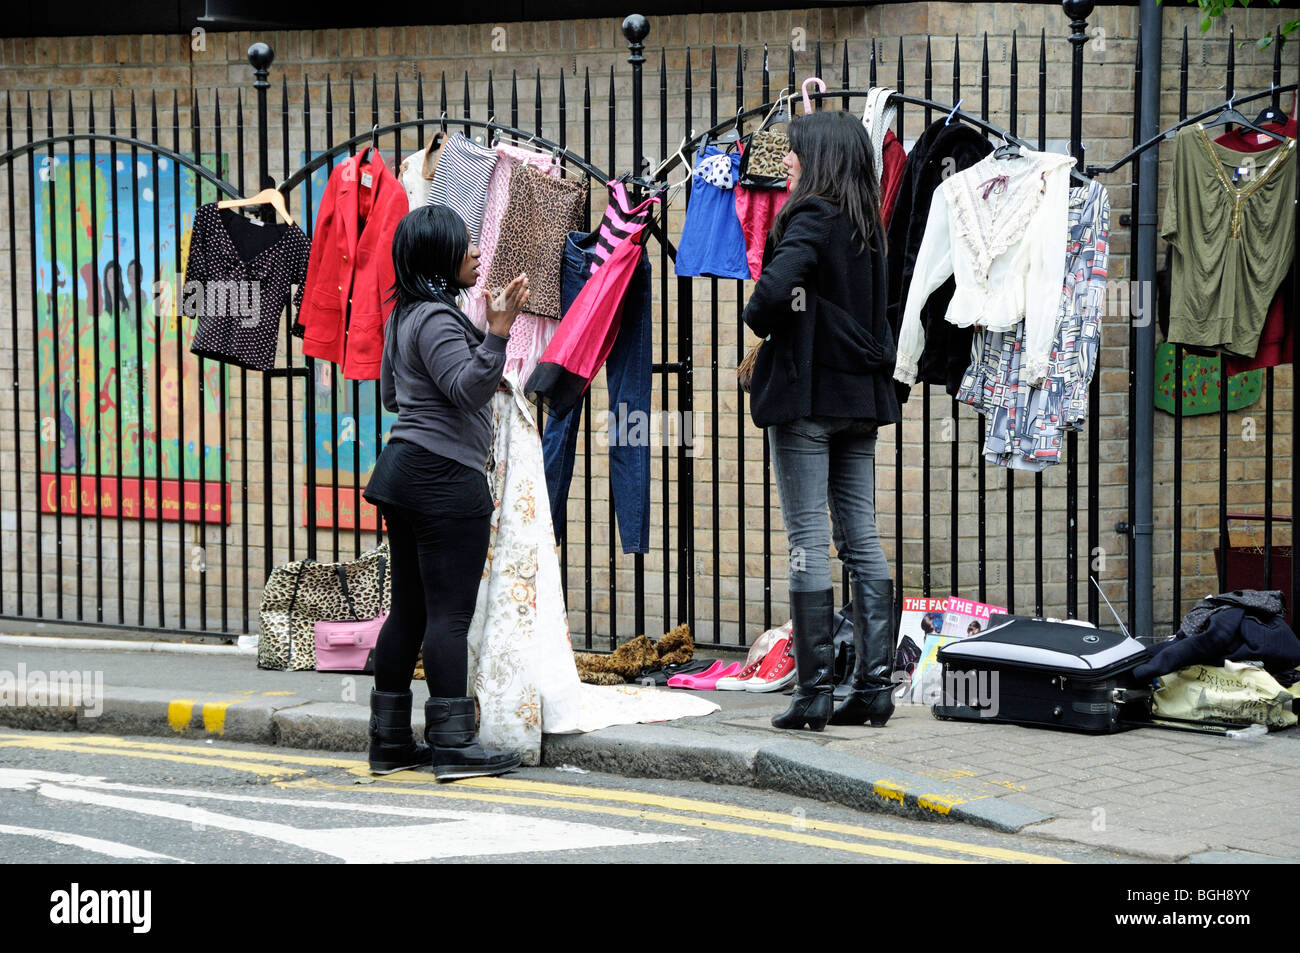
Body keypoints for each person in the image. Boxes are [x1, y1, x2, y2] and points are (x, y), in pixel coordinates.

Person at [741, 110, 902, 732]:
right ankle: (874, 689)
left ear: (820, 158)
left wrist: (763, 311)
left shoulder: (810, 215)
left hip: (808, 400)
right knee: (860, 537)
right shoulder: (869, 226)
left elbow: (771, 299)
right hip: (859, 402)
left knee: (808, 540)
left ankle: (813, 696)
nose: (786, 161)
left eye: (794, 152)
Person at [362, 202, 532, 780]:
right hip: (443, 479)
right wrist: (497, 334)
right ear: (440, 256)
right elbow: (467, 390)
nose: (477, 253)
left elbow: (391, 395)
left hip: (404, 471)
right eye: (467, 246)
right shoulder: (436, 319)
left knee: (407, 612)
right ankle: (454, 745)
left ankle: (388, 743)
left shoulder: (405, 316)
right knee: (448, 618)